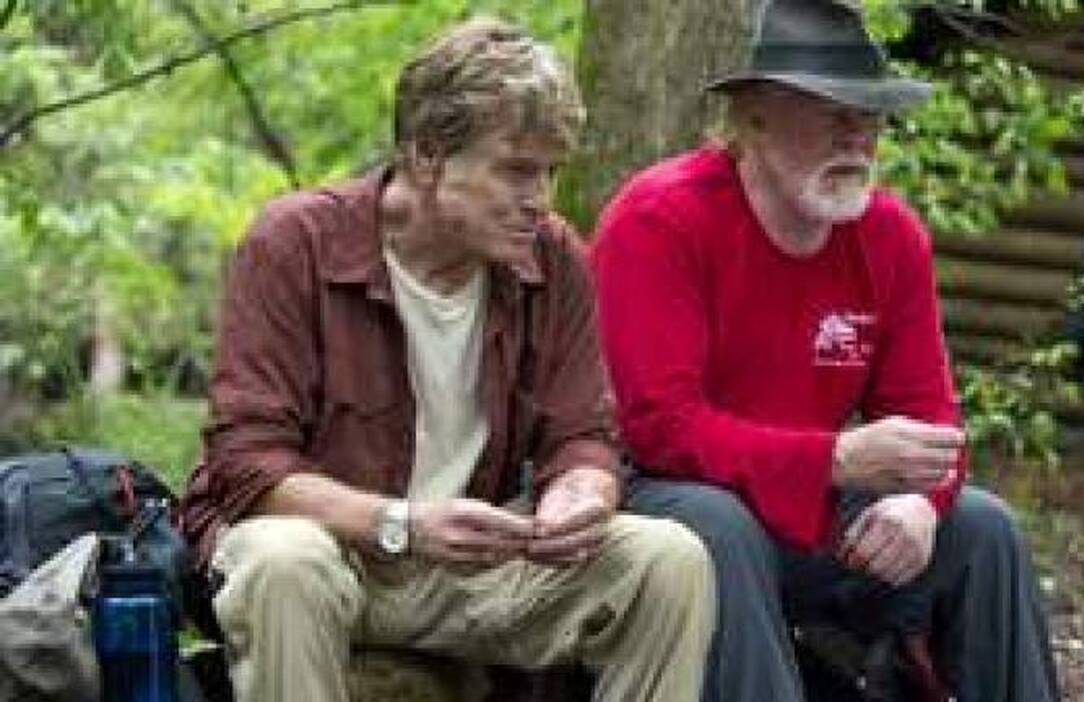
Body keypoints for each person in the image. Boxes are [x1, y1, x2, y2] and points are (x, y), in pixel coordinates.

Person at [178, 17, 713, 702]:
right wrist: (399, 525)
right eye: (516, 171)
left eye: (551, 173)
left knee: (667, 560)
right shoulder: (296, 242)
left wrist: (580, 493)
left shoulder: (553, 257)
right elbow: (247, 463)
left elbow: (582, 435)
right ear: (427, 155)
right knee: (284, 558)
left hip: (473, 565)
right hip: (337, 552)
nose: (540, 199)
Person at [591, 1, 1060, 700]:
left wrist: (922, 505)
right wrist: (834, 459)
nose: (856, 136)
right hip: (658, 500)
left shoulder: (891, 235)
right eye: (831, 112)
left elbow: (933, 421)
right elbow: (659, 428)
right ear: (753, 118)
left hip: (808, 507)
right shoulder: (661, 219)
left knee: (982, 528)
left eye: (869, 116)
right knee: (720, 527)